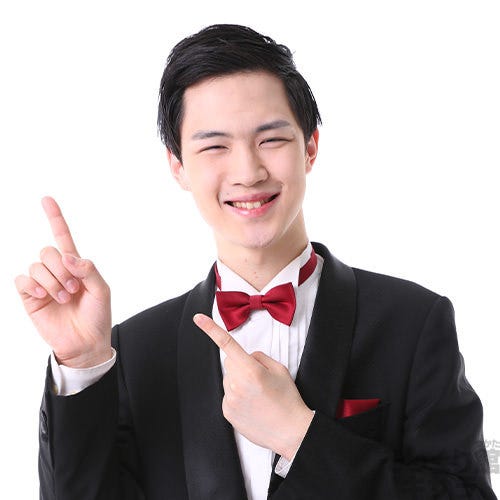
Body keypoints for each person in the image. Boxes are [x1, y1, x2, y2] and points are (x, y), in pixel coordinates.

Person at [15, 24, 496, 500]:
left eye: (271, 140)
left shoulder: (413, 322)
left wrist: (300, 437)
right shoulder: (135, 350)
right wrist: (81, 365)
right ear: (178, 166)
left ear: (310, 148)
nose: (248, 172)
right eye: (214, 146)